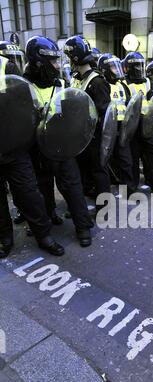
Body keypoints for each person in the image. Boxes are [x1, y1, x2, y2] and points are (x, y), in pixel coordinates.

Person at [24, 35, 93, 247]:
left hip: (62, 146)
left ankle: (83, 227)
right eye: (53, 61)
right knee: (42, 187)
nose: (57, 65)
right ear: (39, 62)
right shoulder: (24, 86)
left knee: (72, 186)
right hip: (37, 147)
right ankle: (50, 214)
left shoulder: (62, 82)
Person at [0, 40, 64, 258]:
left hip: (14, 145)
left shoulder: (5, 65)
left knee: (30, 194)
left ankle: (43, 235)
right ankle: (4, 239)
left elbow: (22, 103)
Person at [64, 35, 112, 202]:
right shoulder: (77, 79)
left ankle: (105, 205)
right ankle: (88, 193)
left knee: (99, 170)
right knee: (84, 168)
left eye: (69, 58)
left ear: (75, 58)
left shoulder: (97, 82)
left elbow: (105, 116)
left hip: (95, 136)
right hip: (81, 136)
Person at [121, 51, 153, 193]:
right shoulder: (124, 83)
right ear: (129, 67)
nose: (140, 69)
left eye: (141, 66)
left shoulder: (148, 82)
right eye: (136, 66)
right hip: (133, 126)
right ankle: (132, 188)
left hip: (148, 124)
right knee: (133, 157)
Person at [97, 52, 136, 195]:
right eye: (113, 67)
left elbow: (130, 105)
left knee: (126, 161)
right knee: (105, 161)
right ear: (105, 69)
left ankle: (129, 190)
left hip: (122, 128)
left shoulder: (122, 86)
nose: (117, 70)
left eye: (117, 67)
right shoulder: (103, 85)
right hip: (108, 129)